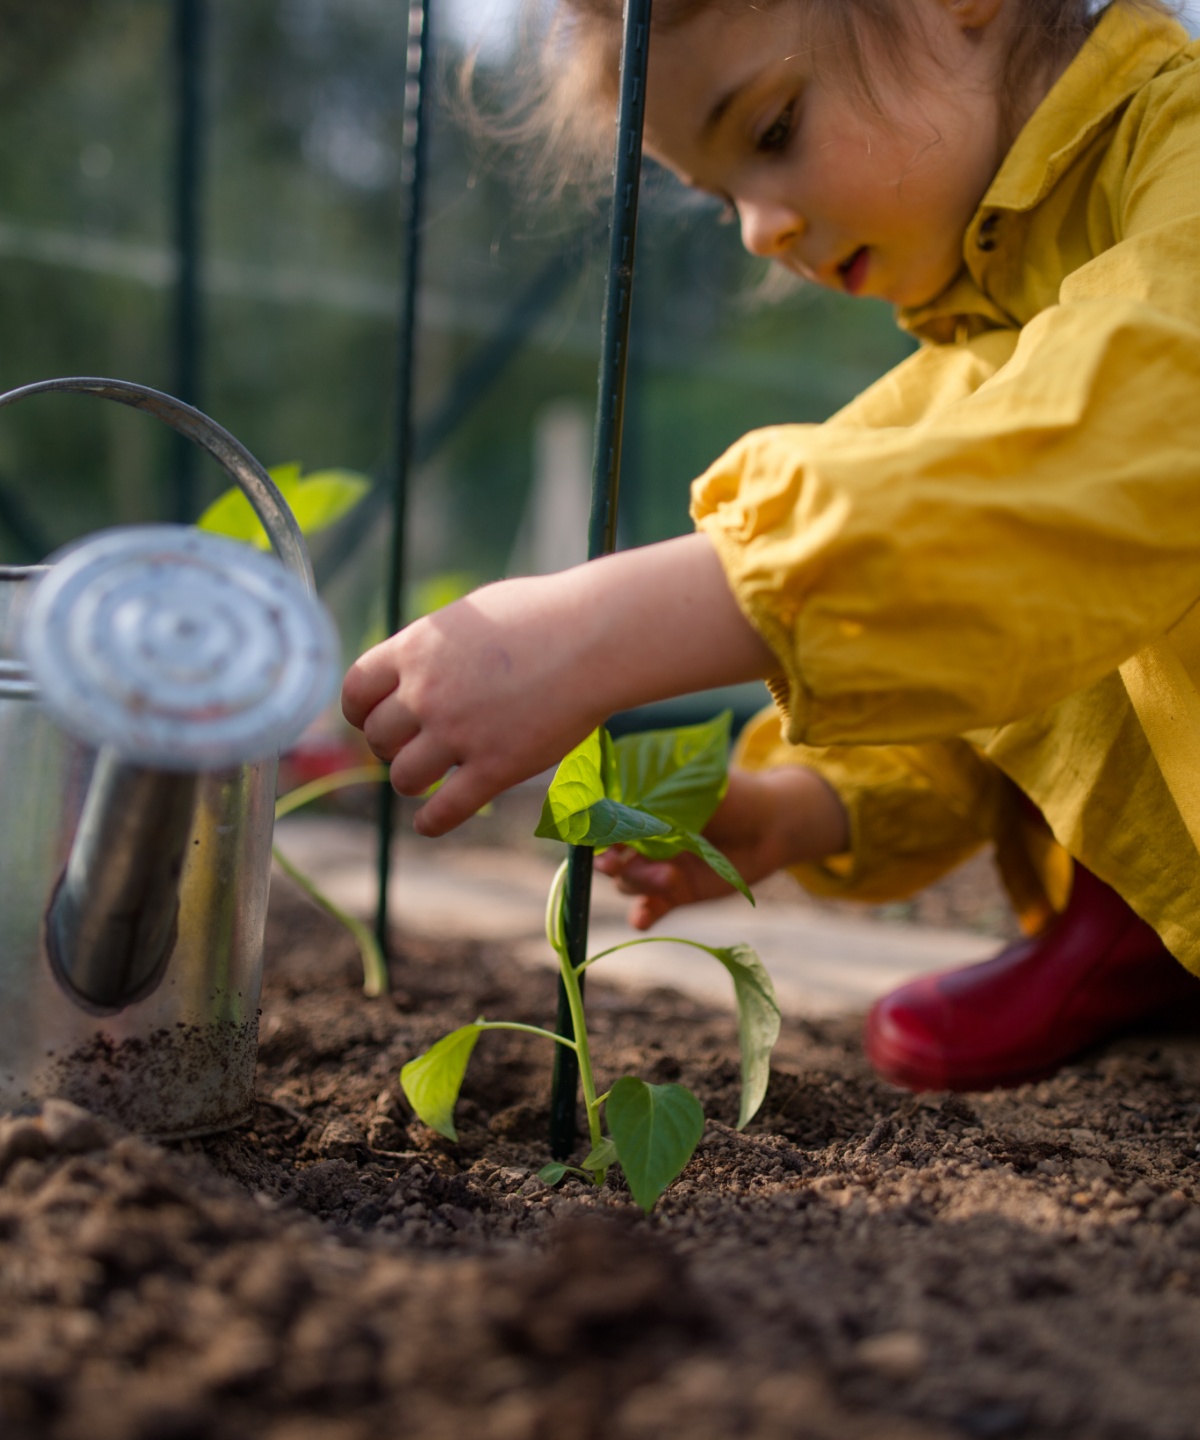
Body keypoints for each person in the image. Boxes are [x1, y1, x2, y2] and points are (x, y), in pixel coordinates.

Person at [343, 0, 1200, 1091]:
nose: (756, 232)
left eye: (773, 129)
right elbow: (1007, 643)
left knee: (993, 448)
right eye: (722, 197)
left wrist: (603, 629)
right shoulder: (988, 332)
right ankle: (1132, 924)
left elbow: (1133, 454)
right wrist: (802, 807)